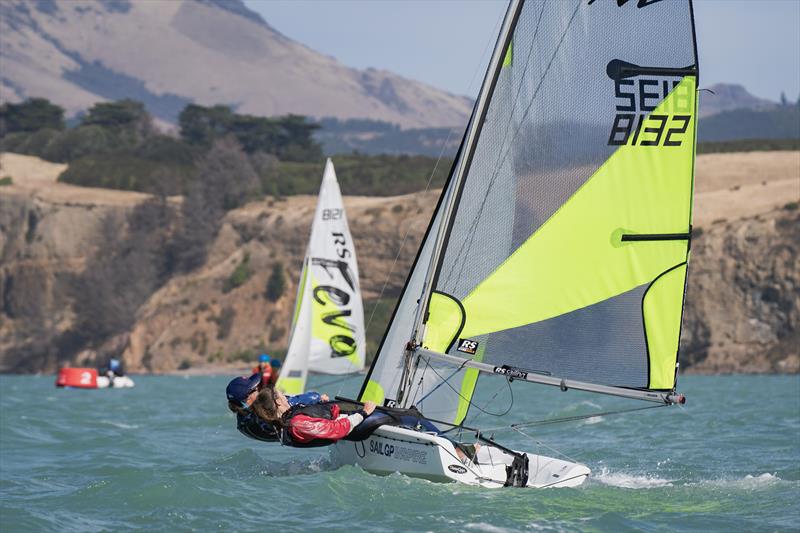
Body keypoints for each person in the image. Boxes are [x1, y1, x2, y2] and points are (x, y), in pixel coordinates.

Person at [251, 386, 375, 447]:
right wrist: (363, 413)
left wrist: (320, 403)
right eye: (281, 394)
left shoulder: (289, 416)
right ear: (278, 402)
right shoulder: (297, 424)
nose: (285, 395)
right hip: (351, 426)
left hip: (346, 418)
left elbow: (308, 413)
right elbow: (336, 429)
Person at [225, 374, 328, 442]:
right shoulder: (264, 408)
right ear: (247, 399)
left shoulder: (242, 421)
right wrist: (318, 397)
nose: (258, 389)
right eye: (255, 388)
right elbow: (293, 401)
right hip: (300, 435)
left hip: (288, 439)